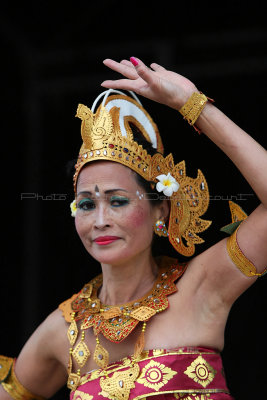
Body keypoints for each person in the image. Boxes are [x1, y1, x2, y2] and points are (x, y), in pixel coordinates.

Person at [0, 56, 267, 400]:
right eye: (86, 204)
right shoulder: (63, 329)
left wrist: (191, 104)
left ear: (161, 210)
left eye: (118, 201)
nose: (99, 220)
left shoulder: (202, 287)